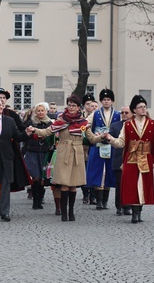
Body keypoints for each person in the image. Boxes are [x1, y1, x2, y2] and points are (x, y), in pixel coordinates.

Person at [28, 94, 102, 222]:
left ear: (79, 107)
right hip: (63, 152)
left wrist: (102, 137)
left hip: (77, 153)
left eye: (74, 105)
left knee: (73, 185)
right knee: (64, 184)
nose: (71, 107)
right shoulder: (61, 120)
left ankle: (71, 212)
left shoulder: (83, 122)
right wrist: (34, 130)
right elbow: (47, 132)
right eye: (69, 105)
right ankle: (63, 212)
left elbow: (91, 138)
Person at [103, 95, 154, 224]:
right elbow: (121, 142)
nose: (143, 109)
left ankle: (140, 210)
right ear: (134, 110)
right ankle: (134, 212)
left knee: (143, 184)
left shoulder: (152, 124)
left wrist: (152, 160)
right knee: (132, 184)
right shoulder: (128, 125)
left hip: (145, 157)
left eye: (144, 107)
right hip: (131, 158)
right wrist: (111, 139)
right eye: (140, 107)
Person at [85, 88, 121, 210]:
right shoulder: (95, 114)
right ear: (101, 101)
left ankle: (105, 200)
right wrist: (92, 136)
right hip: (98, 146)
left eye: (108, 100)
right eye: (104, 100)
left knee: (109, 172)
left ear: (112, 101)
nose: (106, 102)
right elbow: (84, 126)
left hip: (112, 146)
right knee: (98, 171)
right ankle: (99, 200)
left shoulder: (118, 114)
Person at [23, 102, 54, 210]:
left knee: (42, 178)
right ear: (35, 112)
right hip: (32, 152)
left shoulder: (50, 123)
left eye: (42, 110)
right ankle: (35, 201)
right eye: (38, 111)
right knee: (35, 177)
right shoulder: (30, 122)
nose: (40, 113)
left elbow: (52, 137)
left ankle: (40, 199)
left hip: (44, 153)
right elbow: (24, 135)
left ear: (46, 111)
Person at [109, 106, 132, 216]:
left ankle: (128, 206)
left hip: (131, 159)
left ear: (131, 113)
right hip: (118, 159)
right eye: (122, 112)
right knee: (119, 184)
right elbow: (111, 140)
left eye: (126, 112)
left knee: (129, 184)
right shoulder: (115, 126)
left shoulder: (134, 126)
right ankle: (119, 205)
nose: (124, 114)